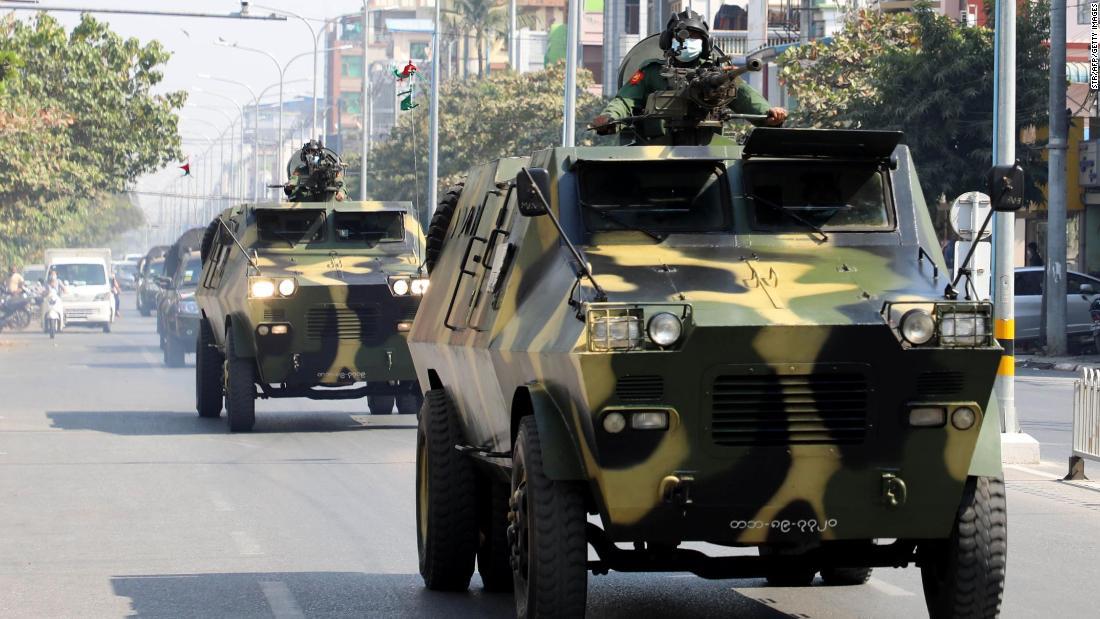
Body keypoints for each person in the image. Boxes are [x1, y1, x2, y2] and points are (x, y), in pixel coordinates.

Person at [592, 9, 787, 136]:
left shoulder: (719, 76)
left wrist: (768, 114)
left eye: (696, 37)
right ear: (669, 40)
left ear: (705, 44)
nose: (688, 41)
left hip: (708, 151)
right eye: (683, 36)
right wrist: (609, 117)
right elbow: (625, 100)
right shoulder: (652, 72)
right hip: (655, 149)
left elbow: (747, 98)